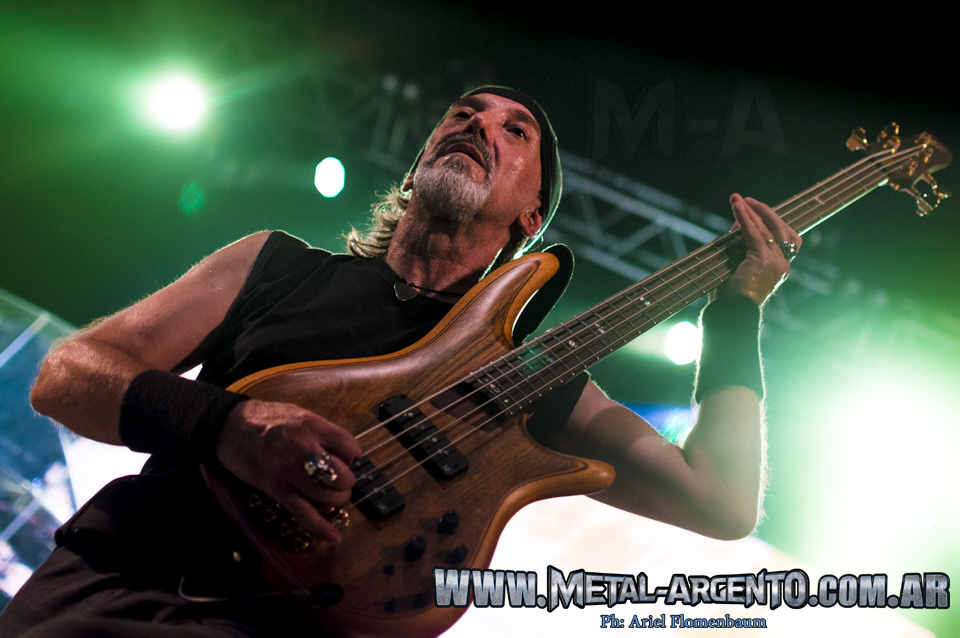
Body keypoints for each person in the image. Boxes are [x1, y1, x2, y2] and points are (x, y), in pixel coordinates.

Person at [0, 87, 800, 637]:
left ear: (532, 218)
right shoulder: (275, 265)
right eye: (463, 113)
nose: (477, 125)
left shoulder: (532, 381)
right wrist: (228, 424)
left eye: (514, 131)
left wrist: (735, 313)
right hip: (120, 585)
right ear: (418, 163)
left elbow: (721, 500)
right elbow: (66, 374)